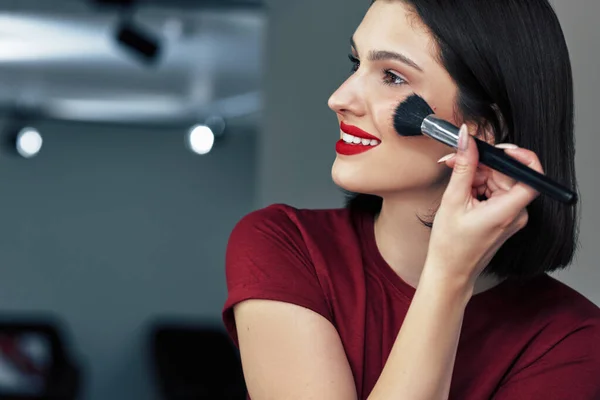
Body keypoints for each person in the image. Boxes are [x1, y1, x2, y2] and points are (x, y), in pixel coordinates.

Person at [222, 0, 600, 398]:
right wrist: (448, 276)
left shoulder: (571, 342)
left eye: (392, 76)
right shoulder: (283, 245)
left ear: (482, 131)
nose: (339, 98)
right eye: (356, 64)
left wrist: (449, 278)